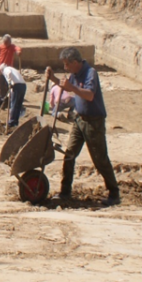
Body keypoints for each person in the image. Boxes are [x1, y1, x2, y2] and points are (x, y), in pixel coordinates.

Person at [46, 47, 119, 205]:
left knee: (100, 159)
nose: (65, 68)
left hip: (94, 122)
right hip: (79, 120)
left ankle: (114, 193)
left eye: (67, 64)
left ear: (75, 62)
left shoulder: (90, 73)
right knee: (69, 154)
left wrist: (72, 88)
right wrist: (53, 79)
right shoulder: (75, 74)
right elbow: (67, 86)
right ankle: (65, 192)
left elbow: (89, 95)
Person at [1, 60, 27, 128]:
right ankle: (15, 122)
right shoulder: (13, 69)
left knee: (14, 104)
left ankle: (10, 123)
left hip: (17, 86)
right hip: (23, 86)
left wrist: (9, 83)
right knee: (18, 105)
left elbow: (9, 74)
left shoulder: (6, 69)